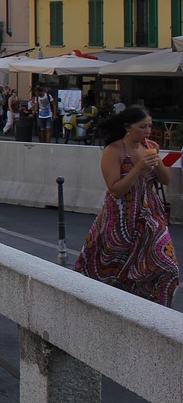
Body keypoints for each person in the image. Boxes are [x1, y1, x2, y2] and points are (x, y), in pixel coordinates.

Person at [74, 107, 179, 306]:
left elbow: (166, 180)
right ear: (128, 128)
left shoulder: (150, 146)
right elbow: (115, 190)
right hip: (121, 216)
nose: (148, 131)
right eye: (142, 127)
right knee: (114, 271)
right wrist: (138, 168)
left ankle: (157, 312)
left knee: (167, 267)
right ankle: (117, 311)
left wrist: (157, 162)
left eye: (150, 125)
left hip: (150, 214)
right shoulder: (114, 151)